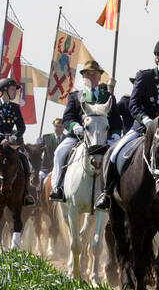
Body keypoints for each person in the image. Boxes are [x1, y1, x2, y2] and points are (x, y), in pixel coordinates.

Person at [94, 40, 159, 210]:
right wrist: (147, 121)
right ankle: (106, 193)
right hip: (144, 126)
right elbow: (133, 104)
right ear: (156, 58)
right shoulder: (145, 76)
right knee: (115, 152)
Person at [49, 59, 114, 203]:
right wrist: (74, 126)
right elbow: (67, 118)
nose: (91, 77)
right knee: (59, 152)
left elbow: (115, 120)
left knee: (117, 157)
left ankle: (113, 191)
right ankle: (57, 187)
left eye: (94, 74)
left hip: (102, 137)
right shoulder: (75, 96)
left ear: (99, 77)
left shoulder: (108, 97)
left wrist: (115, 133)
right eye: (88, 75)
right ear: (83, 78)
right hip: (77, 136)